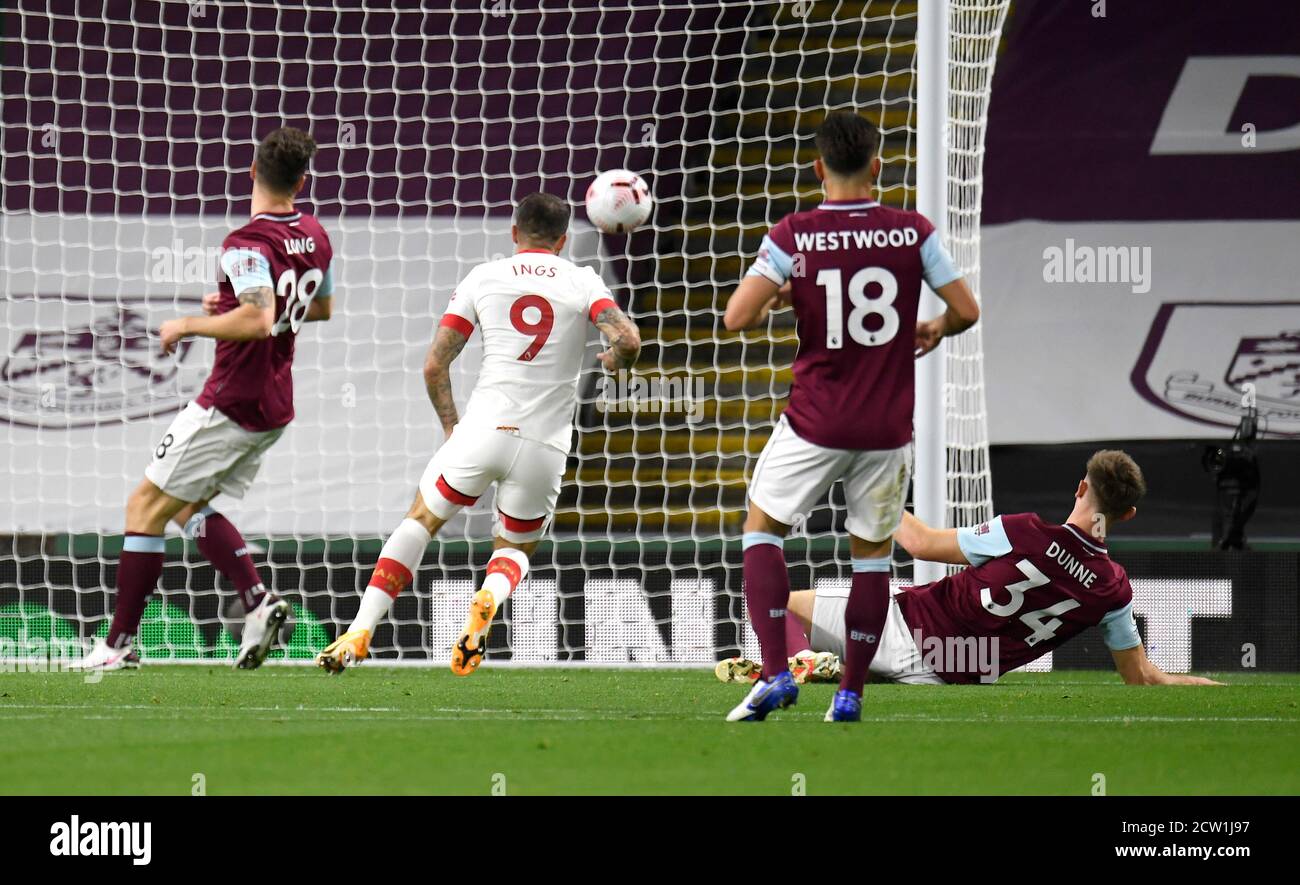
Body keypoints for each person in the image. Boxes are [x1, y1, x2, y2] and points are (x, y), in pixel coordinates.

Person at [722, 110, 980, 721]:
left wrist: (782, 295)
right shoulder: (912, 232)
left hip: (815, 421)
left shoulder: (794, 235)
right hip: (888, 429)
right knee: (870, 558)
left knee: (762, 529)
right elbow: (965, 309)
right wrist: (936, 328)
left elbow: (736, 317)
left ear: (817, 168)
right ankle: (850, 694)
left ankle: (775, 673)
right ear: (877, 167)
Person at [315, 192, 641, 675]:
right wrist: (618, 360)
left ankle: (360, 629)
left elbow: (434, 366)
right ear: (563, 239)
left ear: (515, 233)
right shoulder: (583, 281)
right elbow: (629, 339)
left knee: (421, 518)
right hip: (544, 445)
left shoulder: (486, 277)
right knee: (513, 549)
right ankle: (486, 599)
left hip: (483, 430)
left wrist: (453, 428)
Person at [83, 127, 335, 671]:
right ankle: (256, 600)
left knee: (143, 507)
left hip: (231, 401)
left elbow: (261, 315)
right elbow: (318, 308)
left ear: (252, 171)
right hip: (273, 403)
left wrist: (189, 324)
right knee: (186, 504)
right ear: (302, 180)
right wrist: (227, 301)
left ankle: (117, 645)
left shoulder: (245, 243)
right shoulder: (315, 234)